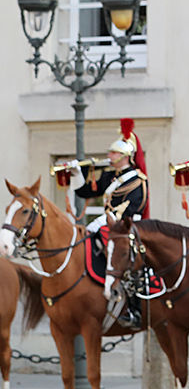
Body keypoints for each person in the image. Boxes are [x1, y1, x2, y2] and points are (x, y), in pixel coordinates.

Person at [69, 117, 149, 327]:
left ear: (124, 156)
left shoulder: (137, 179)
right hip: (108, 223)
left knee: (129, 260)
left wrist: (112, 220)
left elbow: (135, 206)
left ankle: (134, 309)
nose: (109, 156)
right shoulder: (108, 177)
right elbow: (85, 191)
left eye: (113, 153)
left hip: (127, 226)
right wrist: (77, 173)